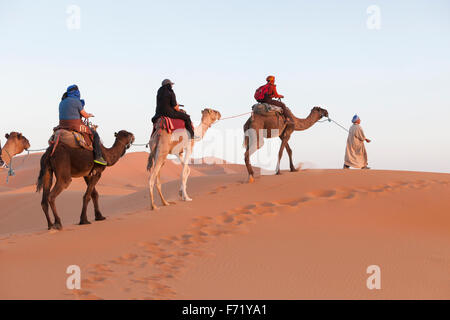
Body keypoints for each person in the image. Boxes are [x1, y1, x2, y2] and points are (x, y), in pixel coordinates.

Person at [58, 84, 107, 165]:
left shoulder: (62, 102)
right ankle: (98, 157)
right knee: (95, 134)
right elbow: (84, 115)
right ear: (76, 92)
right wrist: (89, 115)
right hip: (75, 125)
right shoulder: (76, 101)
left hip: (62, 125)